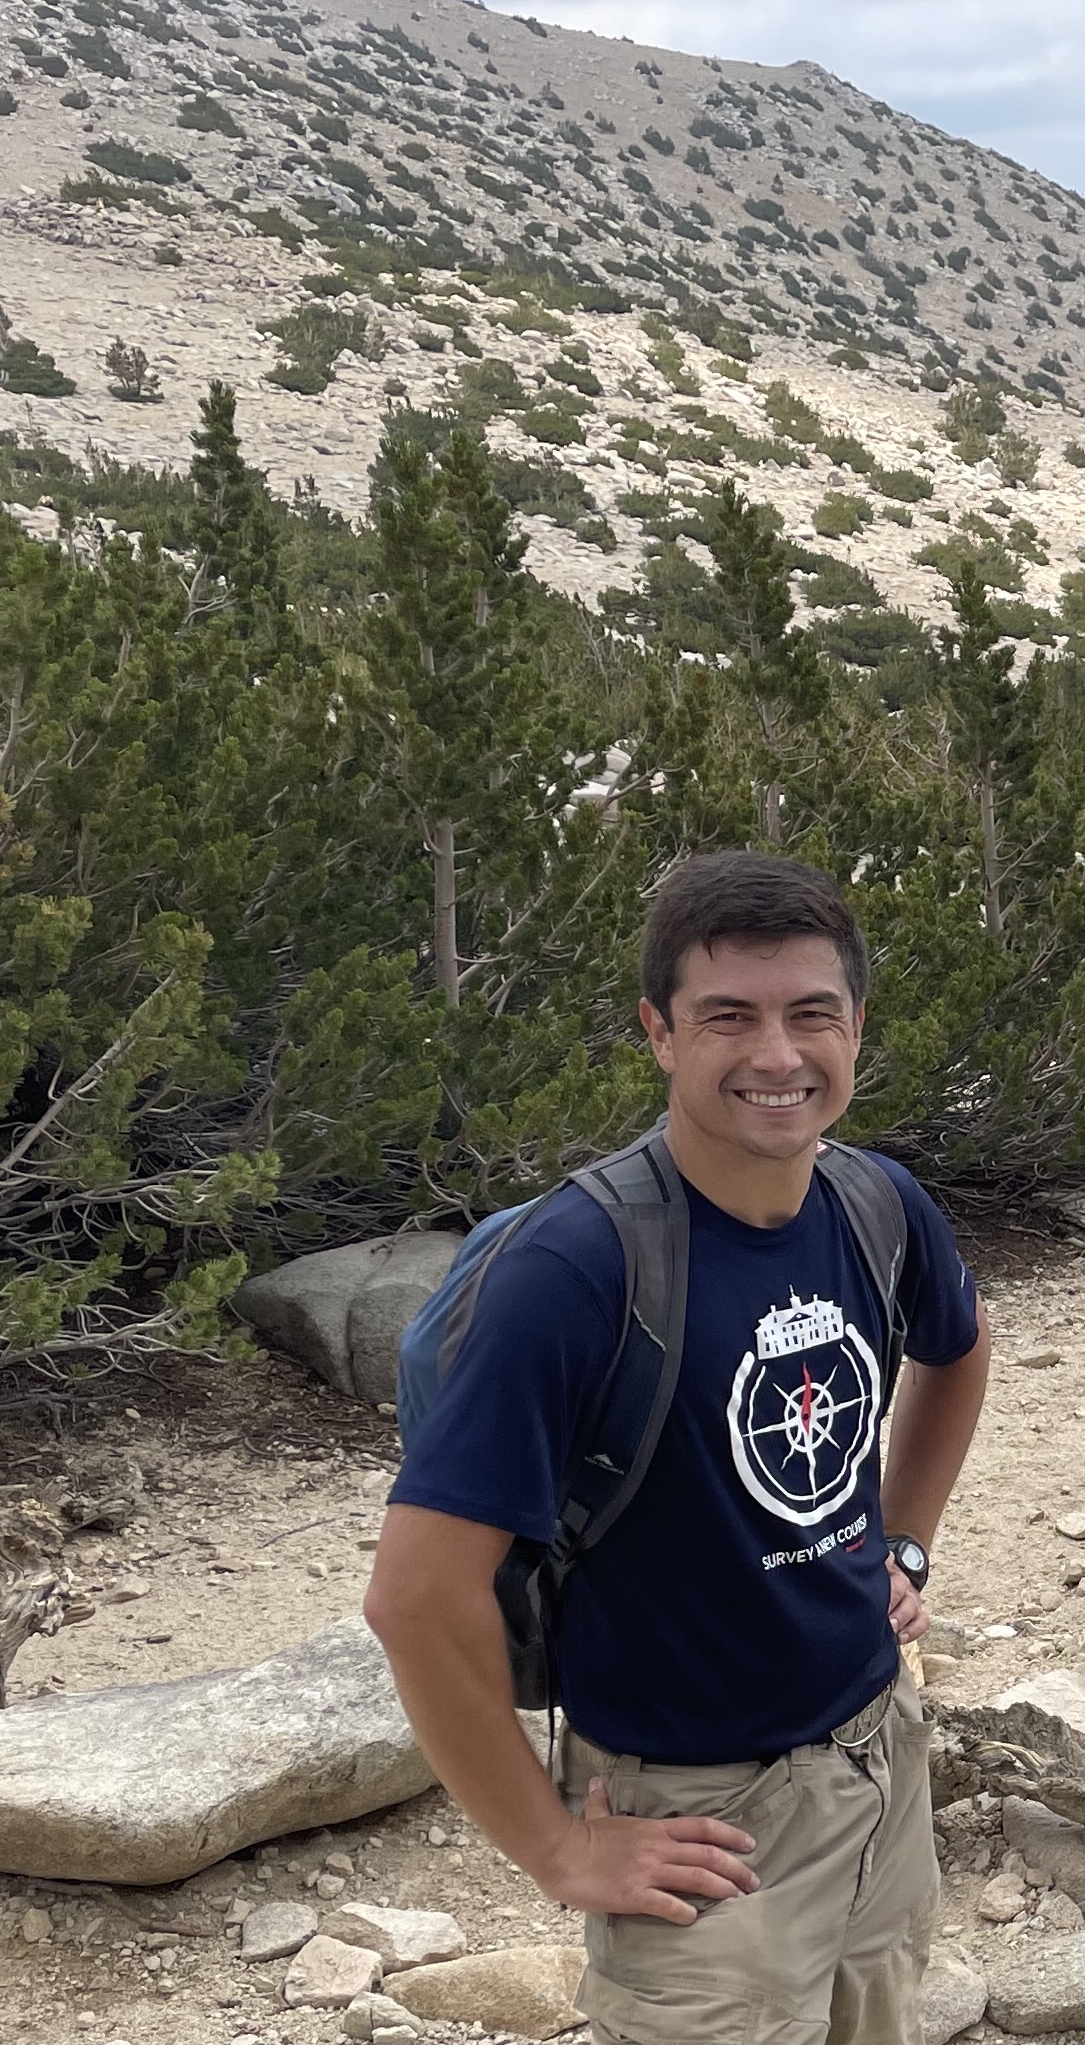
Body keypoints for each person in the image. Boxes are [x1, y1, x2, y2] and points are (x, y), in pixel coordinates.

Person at [366, 851, 991, 2045]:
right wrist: (555, 1846)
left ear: (856, 1026)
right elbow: (414, 1596)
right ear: (659, 1032)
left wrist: (903, 1544)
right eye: (728, 1016)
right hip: (700, 1814)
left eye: (811, 1013)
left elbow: (955, 1351)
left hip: (878, 1758)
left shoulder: (875, 1203)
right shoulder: (571, 1270)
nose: (777, 1054)